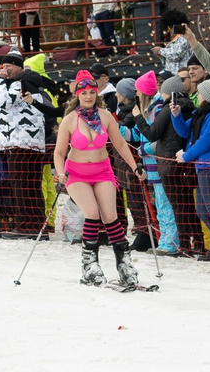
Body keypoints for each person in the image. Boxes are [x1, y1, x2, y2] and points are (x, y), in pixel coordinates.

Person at [53, 70, 148, 289]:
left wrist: (135, 167)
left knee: (110, 216)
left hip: (102, 170)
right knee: (92, 214)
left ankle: (124, 263)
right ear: (77, 94)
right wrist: (61, 173)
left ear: (97, 93)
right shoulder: (69, 120)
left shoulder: (105, 117)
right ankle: (90, 265)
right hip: (76, 173)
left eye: (92, 92)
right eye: (84, 92)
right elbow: (59, 153)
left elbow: (121, 145)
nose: (88, 96)